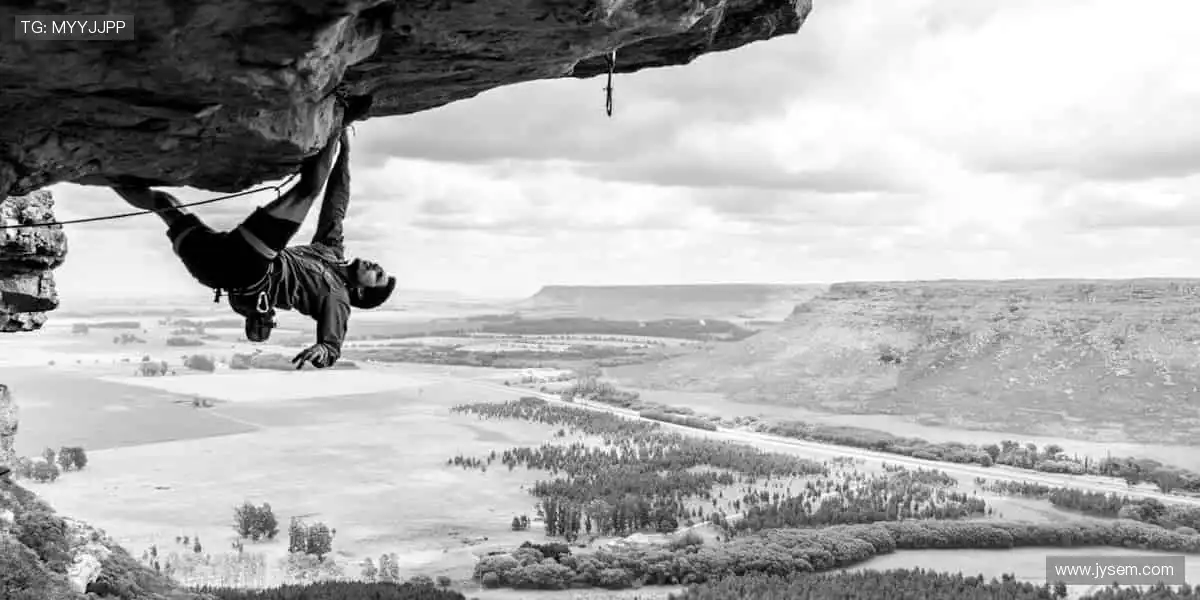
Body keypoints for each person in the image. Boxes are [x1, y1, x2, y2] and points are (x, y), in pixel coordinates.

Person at [111, 128, 395, 369]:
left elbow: (332, 344)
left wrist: (326, 350)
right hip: (219, 265)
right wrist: (344, 154)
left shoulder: (339, 296)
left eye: (378, 277)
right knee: (164, 203)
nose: (378, 268)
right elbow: (336, 203)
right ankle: (106, 169)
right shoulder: (330, 250)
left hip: (248, 267)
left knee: (307, 190)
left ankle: (338, 118)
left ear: (360, 292)